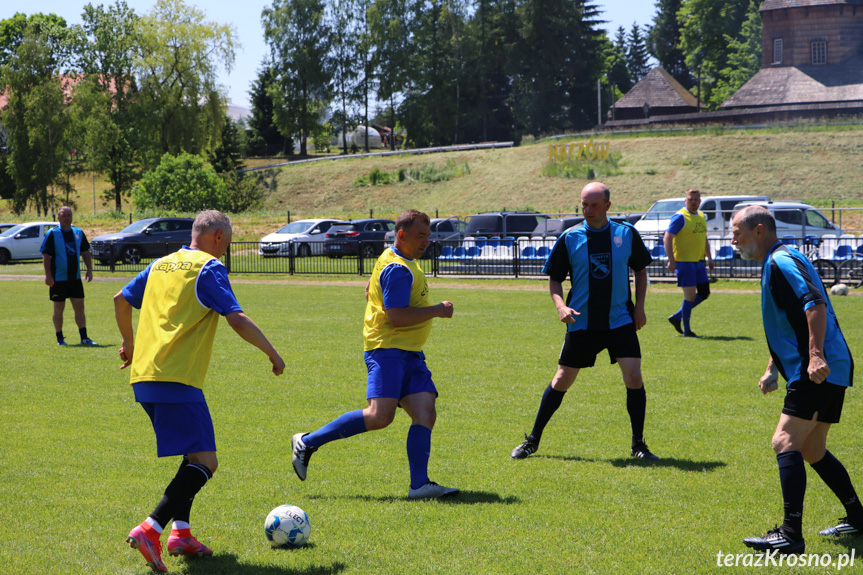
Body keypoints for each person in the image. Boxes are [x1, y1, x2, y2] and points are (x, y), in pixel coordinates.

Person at [114, 210, 285, 572]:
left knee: (192, 454)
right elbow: (236, 317)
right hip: (175, 378)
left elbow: (120, 299)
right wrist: (272, 352)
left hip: (145, 376)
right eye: (230, 241)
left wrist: (128, 344)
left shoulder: (162, 264)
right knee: (207, 462)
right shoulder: (208, 268)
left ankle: (181, 534)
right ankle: (151, 528)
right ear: (219, 237)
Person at [291, 209, 458, 499]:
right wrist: (438, 311)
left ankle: (419, 485)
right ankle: (308, 442)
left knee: (425, 413)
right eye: (420, 236)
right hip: (388, 351)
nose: (426, 242)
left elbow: (370, 287)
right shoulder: (398, 268)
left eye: (428, 236)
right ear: (402, 235)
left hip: (409, 353)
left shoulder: (393, 257)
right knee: (380, 416)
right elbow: (396, 317)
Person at [732, 206, 858, 555]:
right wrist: (773, 366)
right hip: (830, 365)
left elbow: (814, 305)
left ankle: (790, 534)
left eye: (736, 232)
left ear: (759, 231)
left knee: (784, 441)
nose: (732, 240)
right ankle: (859, 518)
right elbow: (790, 322)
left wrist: (815, 355)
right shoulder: (781, 258)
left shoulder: (780, 261)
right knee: (813, 448)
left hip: (817, 368)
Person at [511, 182, 658, 461]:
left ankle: (638, 445)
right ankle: (532, 440)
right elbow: (554, 278)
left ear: (607, 206)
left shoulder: (626, 234)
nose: (587, 210)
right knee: (562, 379)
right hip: (582, 322)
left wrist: (640, 308)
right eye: (583, 204)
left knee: (634, 376)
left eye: (593, 205)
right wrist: (560, 306)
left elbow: (640, 270)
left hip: (619, 321)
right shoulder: (570, 237)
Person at [40, 206, 98, 346]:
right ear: (58, 218)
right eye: (63, 215)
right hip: (58, 279)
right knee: (59, 309)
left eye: (69, 215)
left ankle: (84, 337)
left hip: (75, 279)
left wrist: (89, 270)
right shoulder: (52, 233)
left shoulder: (78, 232)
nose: (66, 218)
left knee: (79, 306)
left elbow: (85, 252)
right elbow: (46, 255)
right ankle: (60, 338)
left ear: (72, 217)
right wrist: (48, 275)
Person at [663, 189, 714, 337]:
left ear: (700, 201)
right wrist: (671, 260)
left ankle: (677, 317)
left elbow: (704, 238)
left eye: (696, 200)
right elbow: (667, 238)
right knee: (690, 296)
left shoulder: (701, 216)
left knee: (704, 293)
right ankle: (687, 331)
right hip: (684, 262)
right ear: (685, 201)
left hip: (698, 261)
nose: (693, 202)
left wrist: (709, 257)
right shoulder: (680, 217)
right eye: (690, 199)